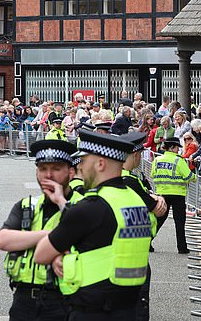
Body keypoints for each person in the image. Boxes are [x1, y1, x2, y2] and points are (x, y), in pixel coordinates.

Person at [34, 129, 153, 320]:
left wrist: (62, 253)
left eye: (83, 161)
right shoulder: (134, 200)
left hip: (92, 311)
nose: (80, 168)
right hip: (129, 308)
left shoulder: (92, 207)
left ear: (100, 163)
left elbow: (41, 254)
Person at [0, 140, 82, 321]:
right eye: (42, 168)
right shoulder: (27, 205)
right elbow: (4, 240)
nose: (48, 175)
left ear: (71, 172)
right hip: (24, 299)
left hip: (64, 301)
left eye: (56, 168)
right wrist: (49, 237)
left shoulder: (84, 205)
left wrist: (61, 202)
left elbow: (86, 242)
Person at [120, 132, 168, 321]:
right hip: (132, 251)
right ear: (135, 154)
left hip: (129, 247)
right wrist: (157, 199)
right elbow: (157, 208)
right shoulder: (129, 181)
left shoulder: (128, 178)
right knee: (137, 299)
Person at [152, 137, 196, 254]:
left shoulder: (157, 160)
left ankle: (147, 242)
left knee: (159, 220)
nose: (178, 150)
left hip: (162, 194)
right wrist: (194, 177)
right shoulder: (178, 161)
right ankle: (182, 248)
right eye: (177, 148)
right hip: (178, 194)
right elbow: (188, 176)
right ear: (172, 147)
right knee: (179, 222)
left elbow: (153, 174)